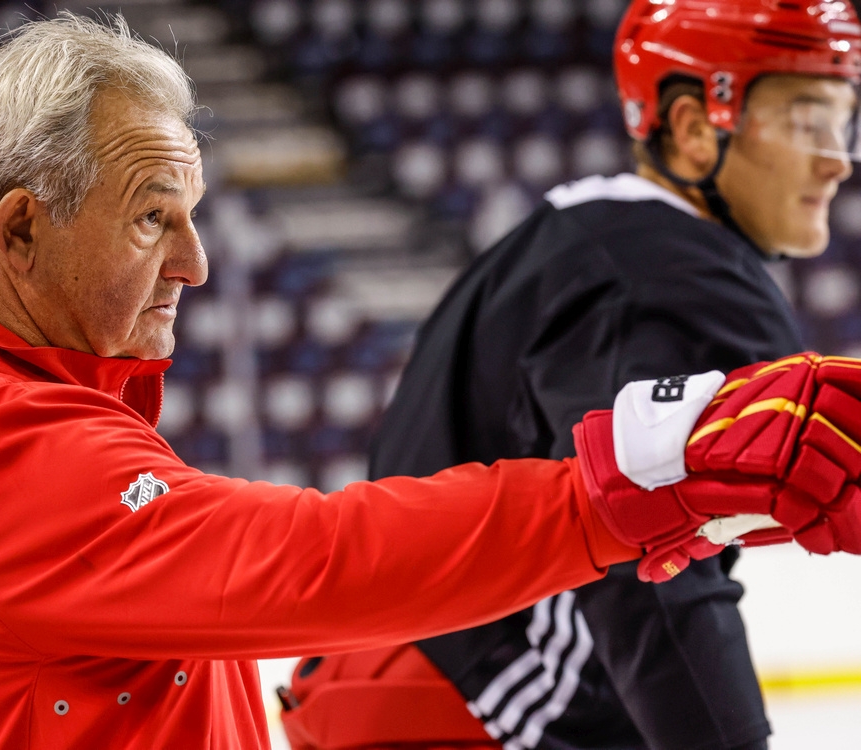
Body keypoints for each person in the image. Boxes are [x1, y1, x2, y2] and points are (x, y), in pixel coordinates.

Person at [0, 10, 857, 749]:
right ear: (20, 230)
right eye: (149, 217)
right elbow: (314, 559)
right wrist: (629, 481)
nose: (196, 262)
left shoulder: (1, 422)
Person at [280, 2, 861, 749]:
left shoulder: (577, 239)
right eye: (809, 120)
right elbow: (652, 558)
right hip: (474, 707)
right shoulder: (678, 272)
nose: (838, 157)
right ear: (690, 127)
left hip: (391, 682)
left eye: (843, 124)